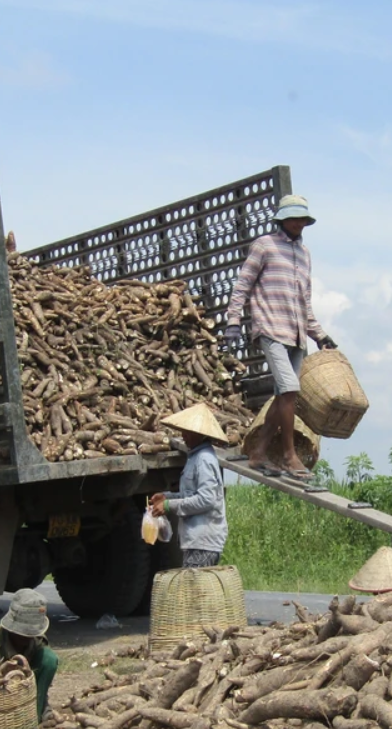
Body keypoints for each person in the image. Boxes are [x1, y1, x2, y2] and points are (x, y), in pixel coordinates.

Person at [224, 194, 336, 480]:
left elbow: (304, 302)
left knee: (282, 395)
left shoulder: (304, 254)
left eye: (302, 219)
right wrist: (233, 321)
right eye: (294, 218)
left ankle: (259, 452)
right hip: (271, 327)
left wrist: (320, 335)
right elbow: (242, 285)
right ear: (282, 219)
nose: (298, 223)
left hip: (296, 332)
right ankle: (288, 456)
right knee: (289, 389)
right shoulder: (265, 246)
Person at [149, 403, 228, 568]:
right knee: (195, 592)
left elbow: (207, 499)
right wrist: (167, 497)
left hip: (203, 542)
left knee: (195, 591)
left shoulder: (204, 459)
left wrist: (169, 505)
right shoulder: (195, 457)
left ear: (197, 433)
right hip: (195, 541)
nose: (183, 436)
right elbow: (191, 495)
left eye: (186, 432)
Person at [0, 588, 58, 721]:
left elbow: (45, 668)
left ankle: (36, 712)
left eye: (32, 634)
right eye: (23, 634)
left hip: (24, 691)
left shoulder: (37, 640)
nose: (28, 638)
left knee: (49, 659)